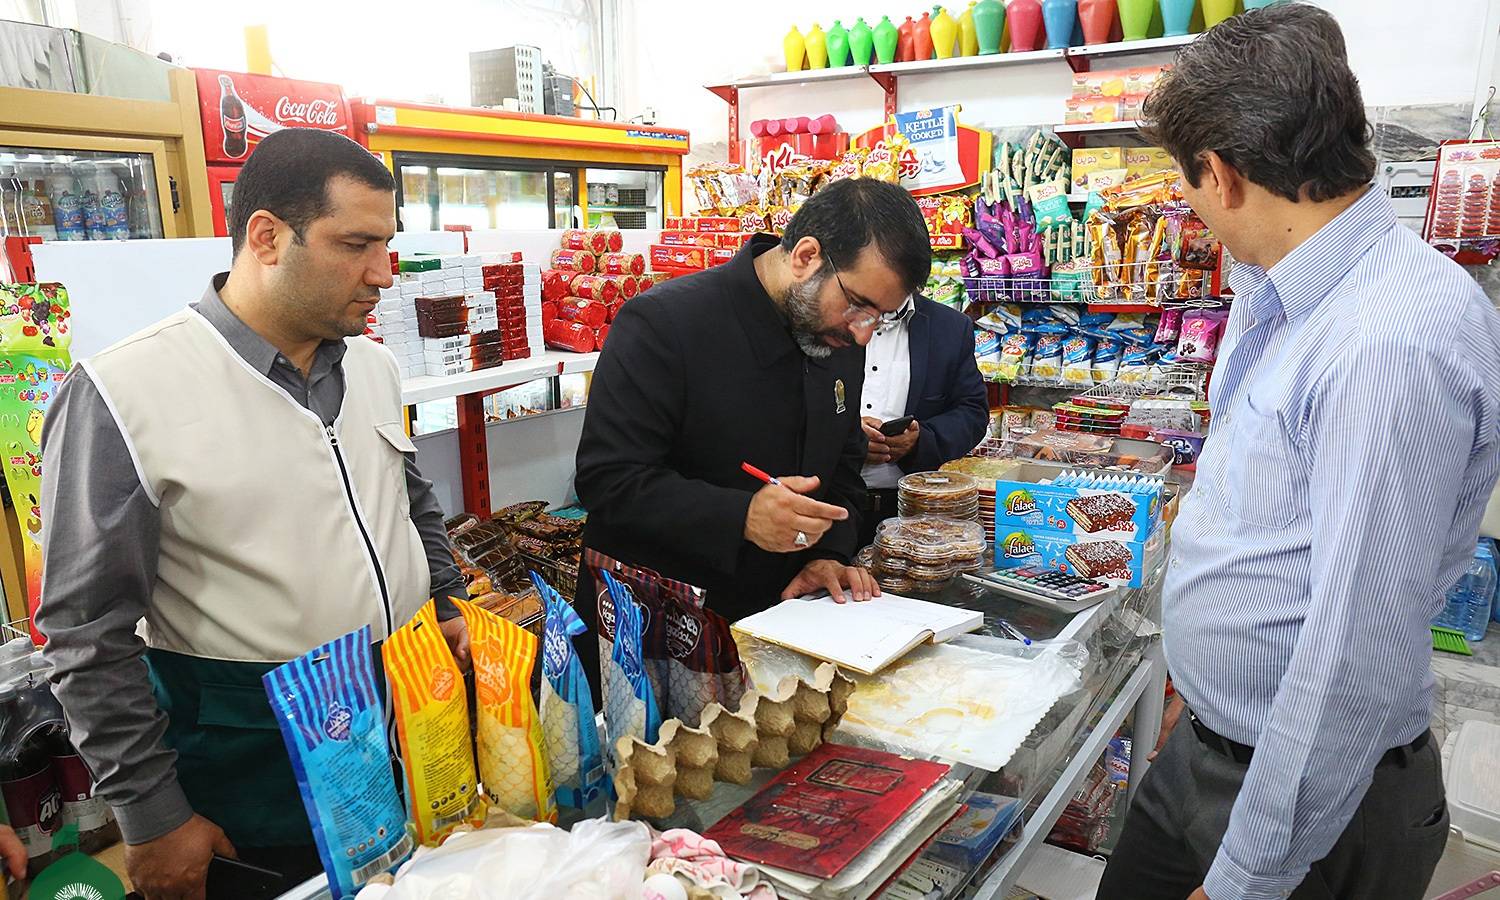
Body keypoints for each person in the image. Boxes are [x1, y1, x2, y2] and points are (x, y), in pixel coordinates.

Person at [1099, 6, 1500, 900]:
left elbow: (1356, 644)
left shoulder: (1389, 342)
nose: (1191, 211)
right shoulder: (1282, 289)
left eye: (1187, 185)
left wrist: (1249, 876)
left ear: (1223, 174)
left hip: (1316, 807)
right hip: (1217, 749)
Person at [36, 129, 468, 899]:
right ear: (266, 236)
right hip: (256, 763)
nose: (383, 274)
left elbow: (409, 497)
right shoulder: (125, 392)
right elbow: (84, 631)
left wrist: (447, 602)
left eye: (387, 244)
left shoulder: (373, 364)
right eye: (357, 245)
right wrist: (153, 815)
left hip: (407, 730)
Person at [574, 178, 931, 662]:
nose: (864, 334)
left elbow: (843, 467)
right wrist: (741, 517)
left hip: (788, 623)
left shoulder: (834, 340)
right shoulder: (664, 323)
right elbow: (606, 479)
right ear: (805, 256)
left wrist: (829, 554)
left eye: (881, 317)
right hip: (660, 632)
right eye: (858, 305)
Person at [856, 293, 989, 547]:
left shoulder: (949, 327)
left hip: (913, 513)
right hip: (825, 502)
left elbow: (972, 411)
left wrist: (921, 439)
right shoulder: (827, 312)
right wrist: (844, 434)